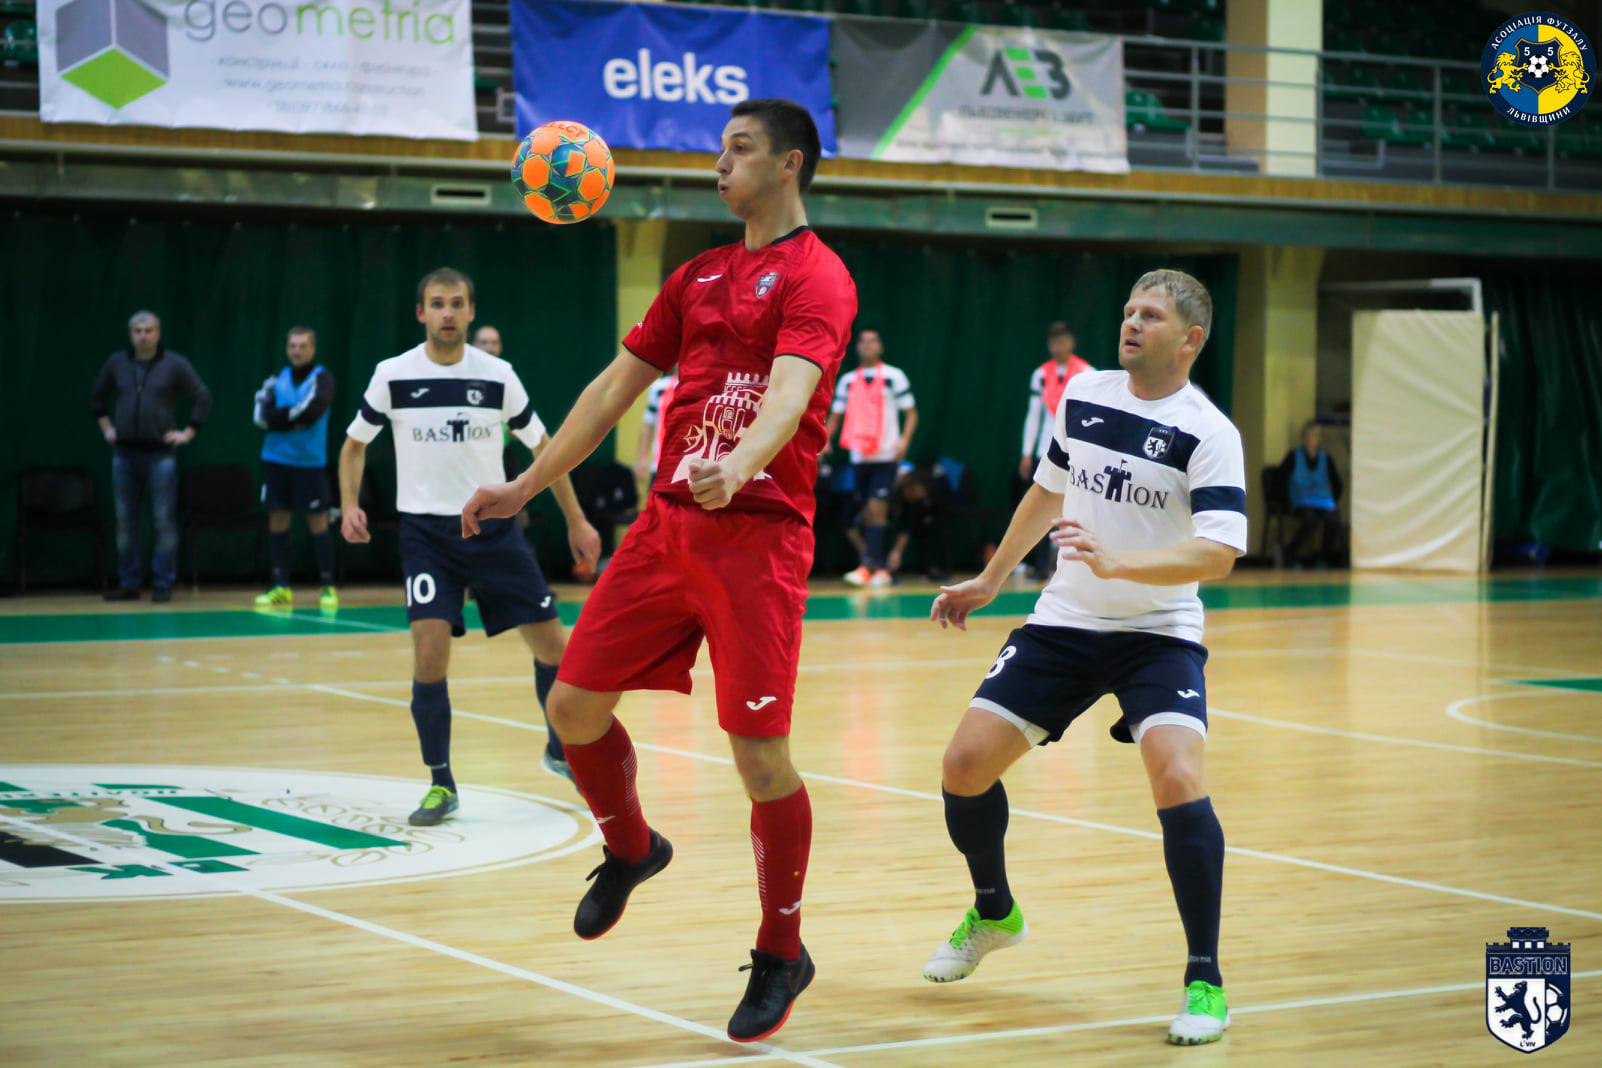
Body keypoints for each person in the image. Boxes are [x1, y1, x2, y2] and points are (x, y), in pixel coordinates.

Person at [461, 98, 856, 1043]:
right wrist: (525, 485)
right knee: (572, 707)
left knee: (759, 758)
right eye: (720, 149)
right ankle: (632, 847)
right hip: (667, 528)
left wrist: (743, 463)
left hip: (758, 538)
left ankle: (782, 950)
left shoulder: (819, 275)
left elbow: (792, 392)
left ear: (791, 164)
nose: (720, 164)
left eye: (740, 149)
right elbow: (612, 390)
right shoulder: (697, 274)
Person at [926, 270, 1245, 1047]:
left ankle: (1205, 981)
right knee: (963, 766)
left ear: (1190, 340)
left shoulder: (1208, 432)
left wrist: (1121, 564)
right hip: (1067, 622)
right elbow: (1048, 491)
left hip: (1159, 632)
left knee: (1178, 777)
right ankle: (995, 912)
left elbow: (1220, 552)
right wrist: (991, 579)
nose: (1131, 323)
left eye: (1151, 316)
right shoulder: (1084, 394)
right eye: (1129, 310)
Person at [339, 268, 601, 822]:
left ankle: (560, 750)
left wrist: (577, 521)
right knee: (430, 654)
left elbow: (546, 450)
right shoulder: (393, 375)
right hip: (426, 536)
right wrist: (350, 503)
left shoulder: (499, 376)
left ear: (471, 311)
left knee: (555, 651)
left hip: (494, 531)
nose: (448, 313)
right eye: (437, 304)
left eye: (457, 303)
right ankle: (441, 783)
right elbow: (353, 446)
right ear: (421, 313)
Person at [89, 311, 213, 603]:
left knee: (163, 520)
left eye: (148, 330)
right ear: (130, 334)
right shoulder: (117, 363)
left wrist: (188, 432)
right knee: (124, 521)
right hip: (124, 454)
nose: (143, 336)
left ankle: (163, 582)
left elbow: (202, 397)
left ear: (158, 333)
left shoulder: (175, 363)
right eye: (137, 330)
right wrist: (107, 429)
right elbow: (97, 396)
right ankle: (129, 583)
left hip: (161, 454)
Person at [822, 328, 917, 587]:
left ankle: (870, 567)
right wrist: (826, 440)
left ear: (880, 346)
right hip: (859, 457)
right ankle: (878, 567)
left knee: (877, 507)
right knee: (867, 512)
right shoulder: (848, 381)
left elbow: (911, 414)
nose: (867, 345)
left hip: (886, 456)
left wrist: (904, 441)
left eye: (872, 341)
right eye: (863, 341)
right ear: (856, 347)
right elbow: (836, 415)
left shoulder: (894, 377)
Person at [253, 327, 338, 610]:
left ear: (312, 349)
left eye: (302, 346)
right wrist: (291, 417)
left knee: (318, 522)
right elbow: (261, 416)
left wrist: (281, 417)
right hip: (275, 460)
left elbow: (312, 412)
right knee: (278, 520)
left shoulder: (322, 378)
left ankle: (327, 586)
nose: (297, 351)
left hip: (309, 463)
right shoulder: (275, 379)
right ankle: (280, 586)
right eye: (293, 346)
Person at [1018, 321, 1093, 578]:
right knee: (1043, 506)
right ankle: (1040, 566)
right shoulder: (1040, 375)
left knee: (1076, 506)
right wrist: (1027, 452)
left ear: (1072, 342)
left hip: (1076, 451)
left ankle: (1077, 564)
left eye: (1062, 341)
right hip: (1046, 450)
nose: (1058, 346)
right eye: (1053, 342)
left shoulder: (1086, 373)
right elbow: (1033, 416)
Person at [1278, 420, 1344, 568]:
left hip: (1324, 501)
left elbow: (1337, 482)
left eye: (1314, 435)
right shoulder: (1294, 456)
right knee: (1310, 521)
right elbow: (1280, 479)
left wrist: (1334, 499)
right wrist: (1286, 502)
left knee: (1333, 521)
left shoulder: (1326, 457)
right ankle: (1290, 553)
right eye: (1307, 435)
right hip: (1302, 500)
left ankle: (1322, 557)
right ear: (1302, 438)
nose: (1310, 438)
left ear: (1319, 439)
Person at [633, 370, 680, 484]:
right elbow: (648, 424)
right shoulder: (659, 387)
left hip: (691, 468)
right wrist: (642, 458)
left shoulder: (702, 387)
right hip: (661, 465)